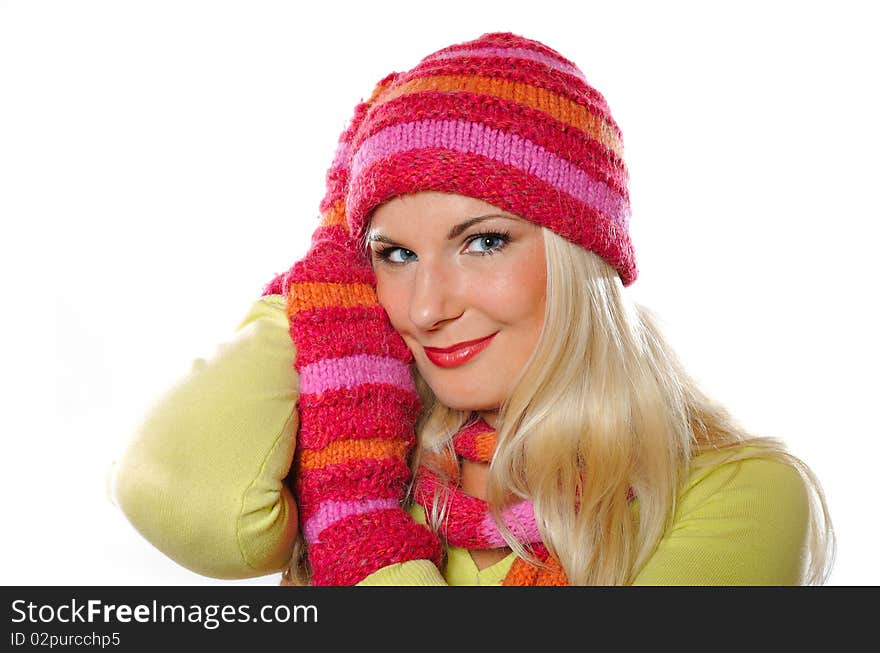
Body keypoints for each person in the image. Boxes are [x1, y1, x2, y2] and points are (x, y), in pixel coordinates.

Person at [112, 31, 835, 586]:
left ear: (581, 257)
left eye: (483, 242)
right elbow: (179, 493)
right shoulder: (358, 456)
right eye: (393, 255)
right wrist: (323, 277)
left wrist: (364, 542)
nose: (425, 309)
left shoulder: (737, 492)